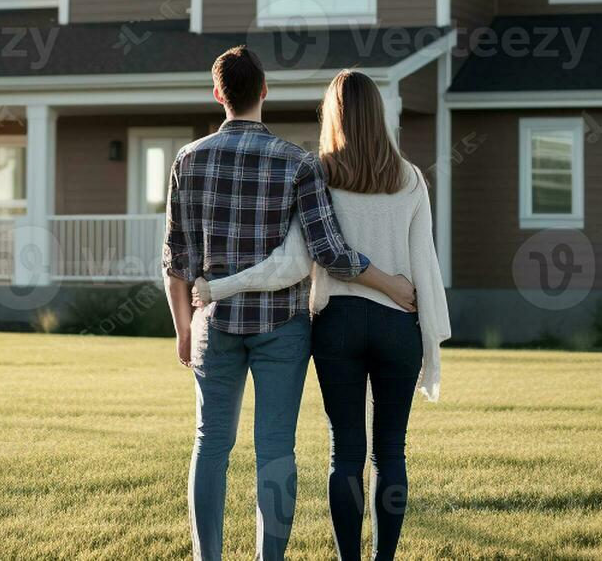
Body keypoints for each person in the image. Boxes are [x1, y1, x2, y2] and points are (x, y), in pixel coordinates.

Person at [163, 47, 417, 561]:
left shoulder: (187, 160)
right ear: (264, 92)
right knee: (275, 448)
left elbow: (177, 258)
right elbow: (326, 251)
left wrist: (183, 328)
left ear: (218, 94)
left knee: (210, 443)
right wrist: (389, 282)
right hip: (282, 326)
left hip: (214, 322)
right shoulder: (298, 163)